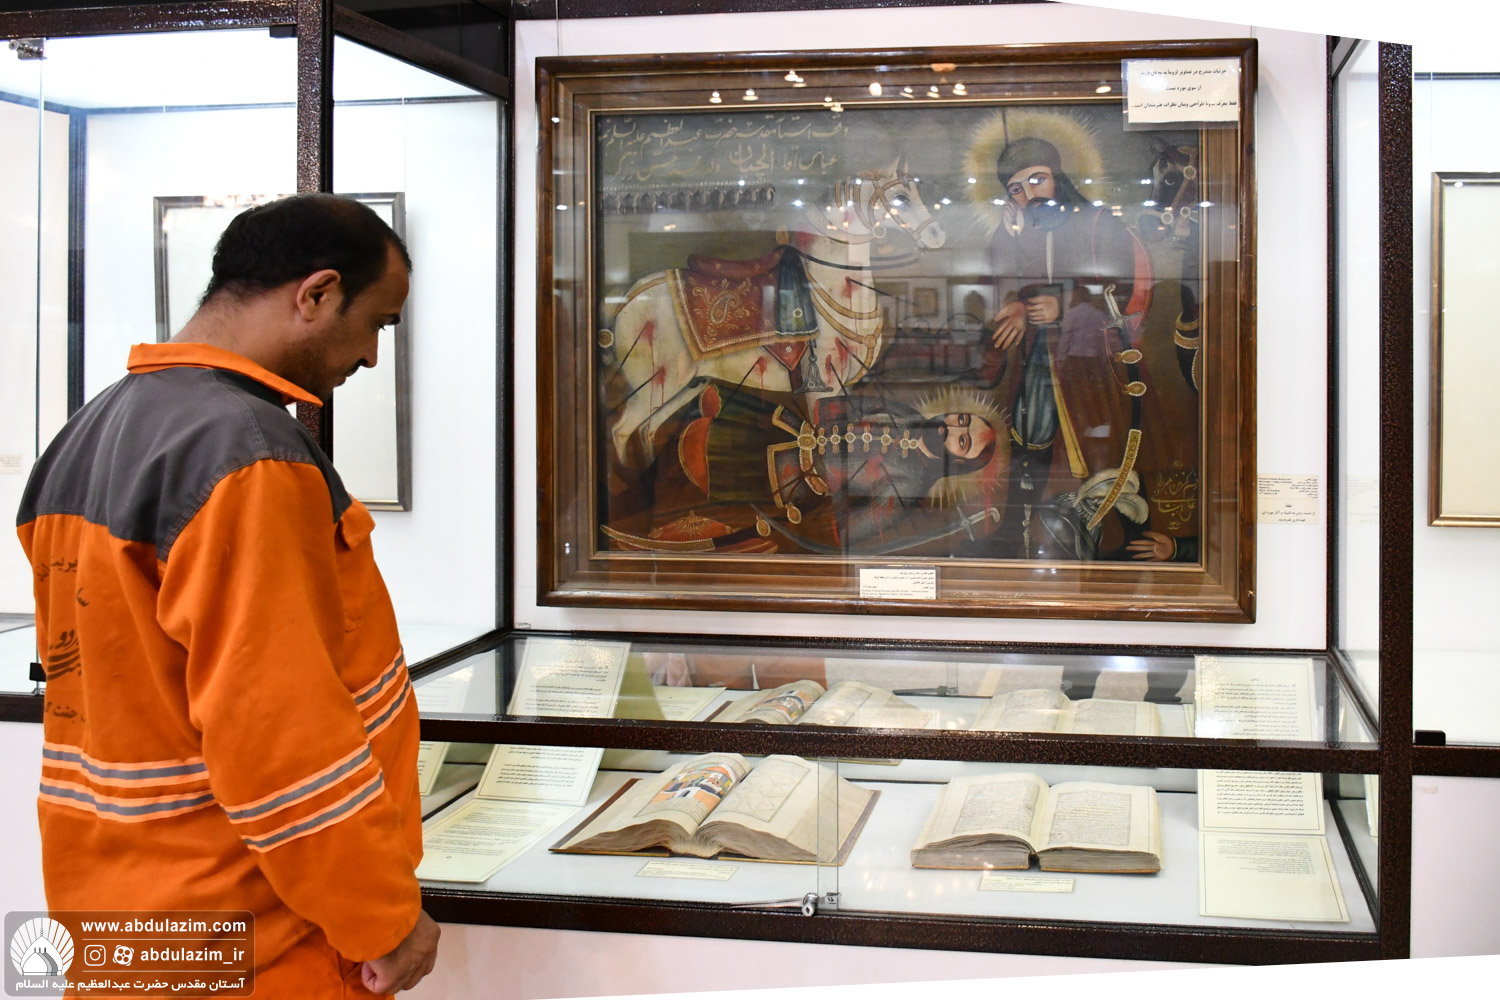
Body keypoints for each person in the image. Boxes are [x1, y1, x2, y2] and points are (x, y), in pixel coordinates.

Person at [16, 194, 439, 997]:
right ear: (316, 294)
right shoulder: (246, 455)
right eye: (377, 324)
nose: (371, 357)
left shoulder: (84, 435)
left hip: (120, 934)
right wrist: (382, 919)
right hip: (250, 936)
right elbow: (280, 738)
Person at [981, 133, 1193, 562]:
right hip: (1040, 359)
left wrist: (1065, 304)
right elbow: (998, 283)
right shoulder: (1019, 232)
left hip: (1096, 363)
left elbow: (1124, 286)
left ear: (1057, 176)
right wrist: (1017, 295)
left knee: (1109, 448)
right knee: (1030, 441)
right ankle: (1016, 538)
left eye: (1037, 179)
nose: (1030, 194)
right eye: (1016, 189)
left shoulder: (1098, 222)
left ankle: (1124, 542)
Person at [604, 379, 999, 556]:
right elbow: (834, 407)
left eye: (962, 441)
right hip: (785, 430)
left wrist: (818, 490)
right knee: (702, 401)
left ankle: (625, 516)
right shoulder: (905, 412)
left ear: (957, 462)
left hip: (779, 481)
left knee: (689, 461)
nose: (952, 428)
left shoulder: (911, 485)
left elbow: (844, 532)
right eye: (961, 420)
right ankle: (624, 494)